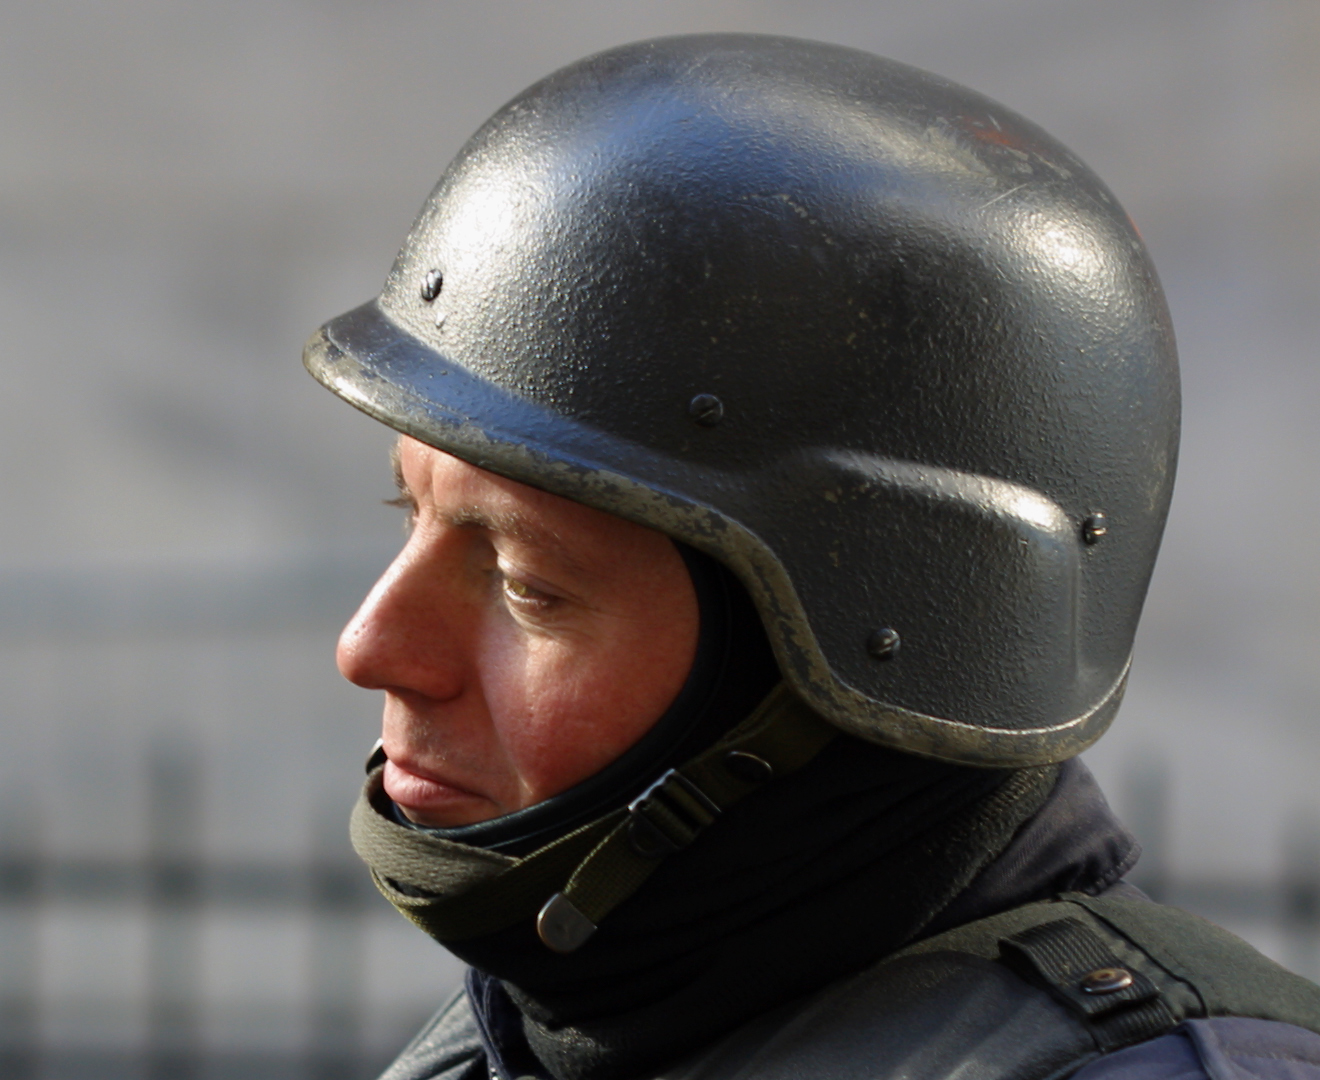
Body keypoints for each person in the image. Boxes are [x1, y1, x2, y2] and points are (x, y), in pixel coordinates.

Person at [302, 34, 1320, 1080]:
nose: (373, 646)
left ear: (874, 641)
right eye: (408, 506)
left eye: (529, 585)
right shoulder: (539, 1037)